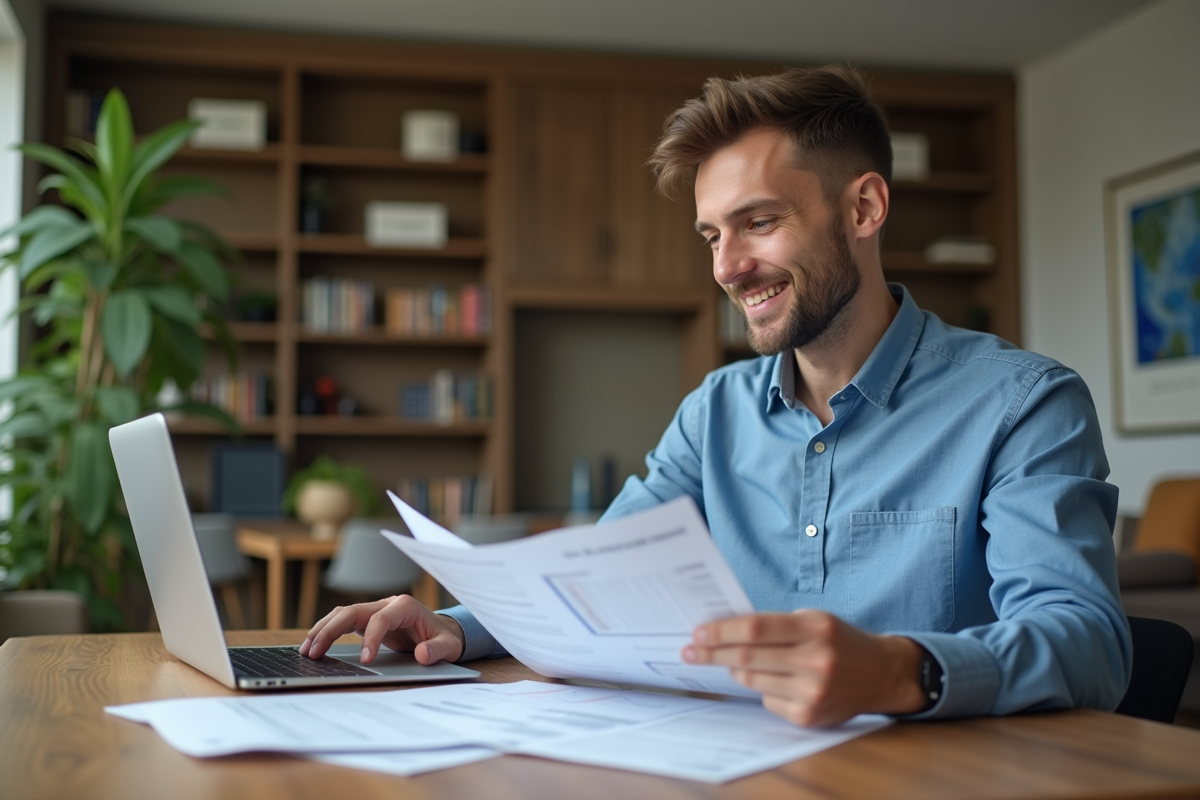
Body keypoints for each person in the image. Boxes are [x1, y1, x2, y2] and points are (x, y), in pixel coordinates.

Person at [302, 65, 1131, 726]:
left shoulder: (1024, 405)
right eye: (712, 235)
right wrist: (455, 625)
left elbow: (1089, 642)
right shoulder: (714, 412)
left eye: (758, 222)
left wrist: (897, 669)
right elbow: (593, 576)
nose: (727, 268)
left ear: (865, 207)